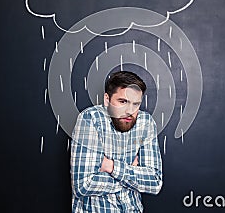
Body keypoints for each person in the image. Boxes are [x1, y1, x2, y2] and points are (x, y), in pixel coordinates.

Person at [70, 71, 163, 212]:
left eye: (136, 104)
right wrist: (132, 175)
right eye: (123, 102)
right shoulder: (90, 119)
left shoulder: (145, 122)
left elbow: (155, 182)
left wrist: (111, 167)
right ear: (107, 100)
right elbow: (83, 185)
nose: (129, 111)